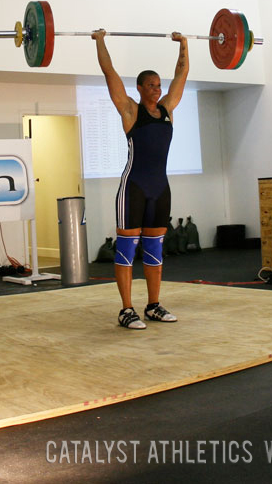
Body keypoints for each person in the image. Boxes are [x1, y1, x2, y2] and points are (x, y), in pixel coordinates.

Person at [93, 29, 188, 330]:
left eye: (159, 85)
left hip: (160, 189)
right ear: (140, 87)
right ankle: (126, 310)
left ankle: (153, 306)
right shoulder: (130, 110)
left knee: (155, 249)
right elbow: (110, 72)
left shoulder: (167, 109)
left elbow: (182, 72)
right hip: (132, 187)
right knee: (125, 249)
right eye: (151, 85)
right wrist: (100, 41)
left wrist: (183, 45)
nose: (157, 90)